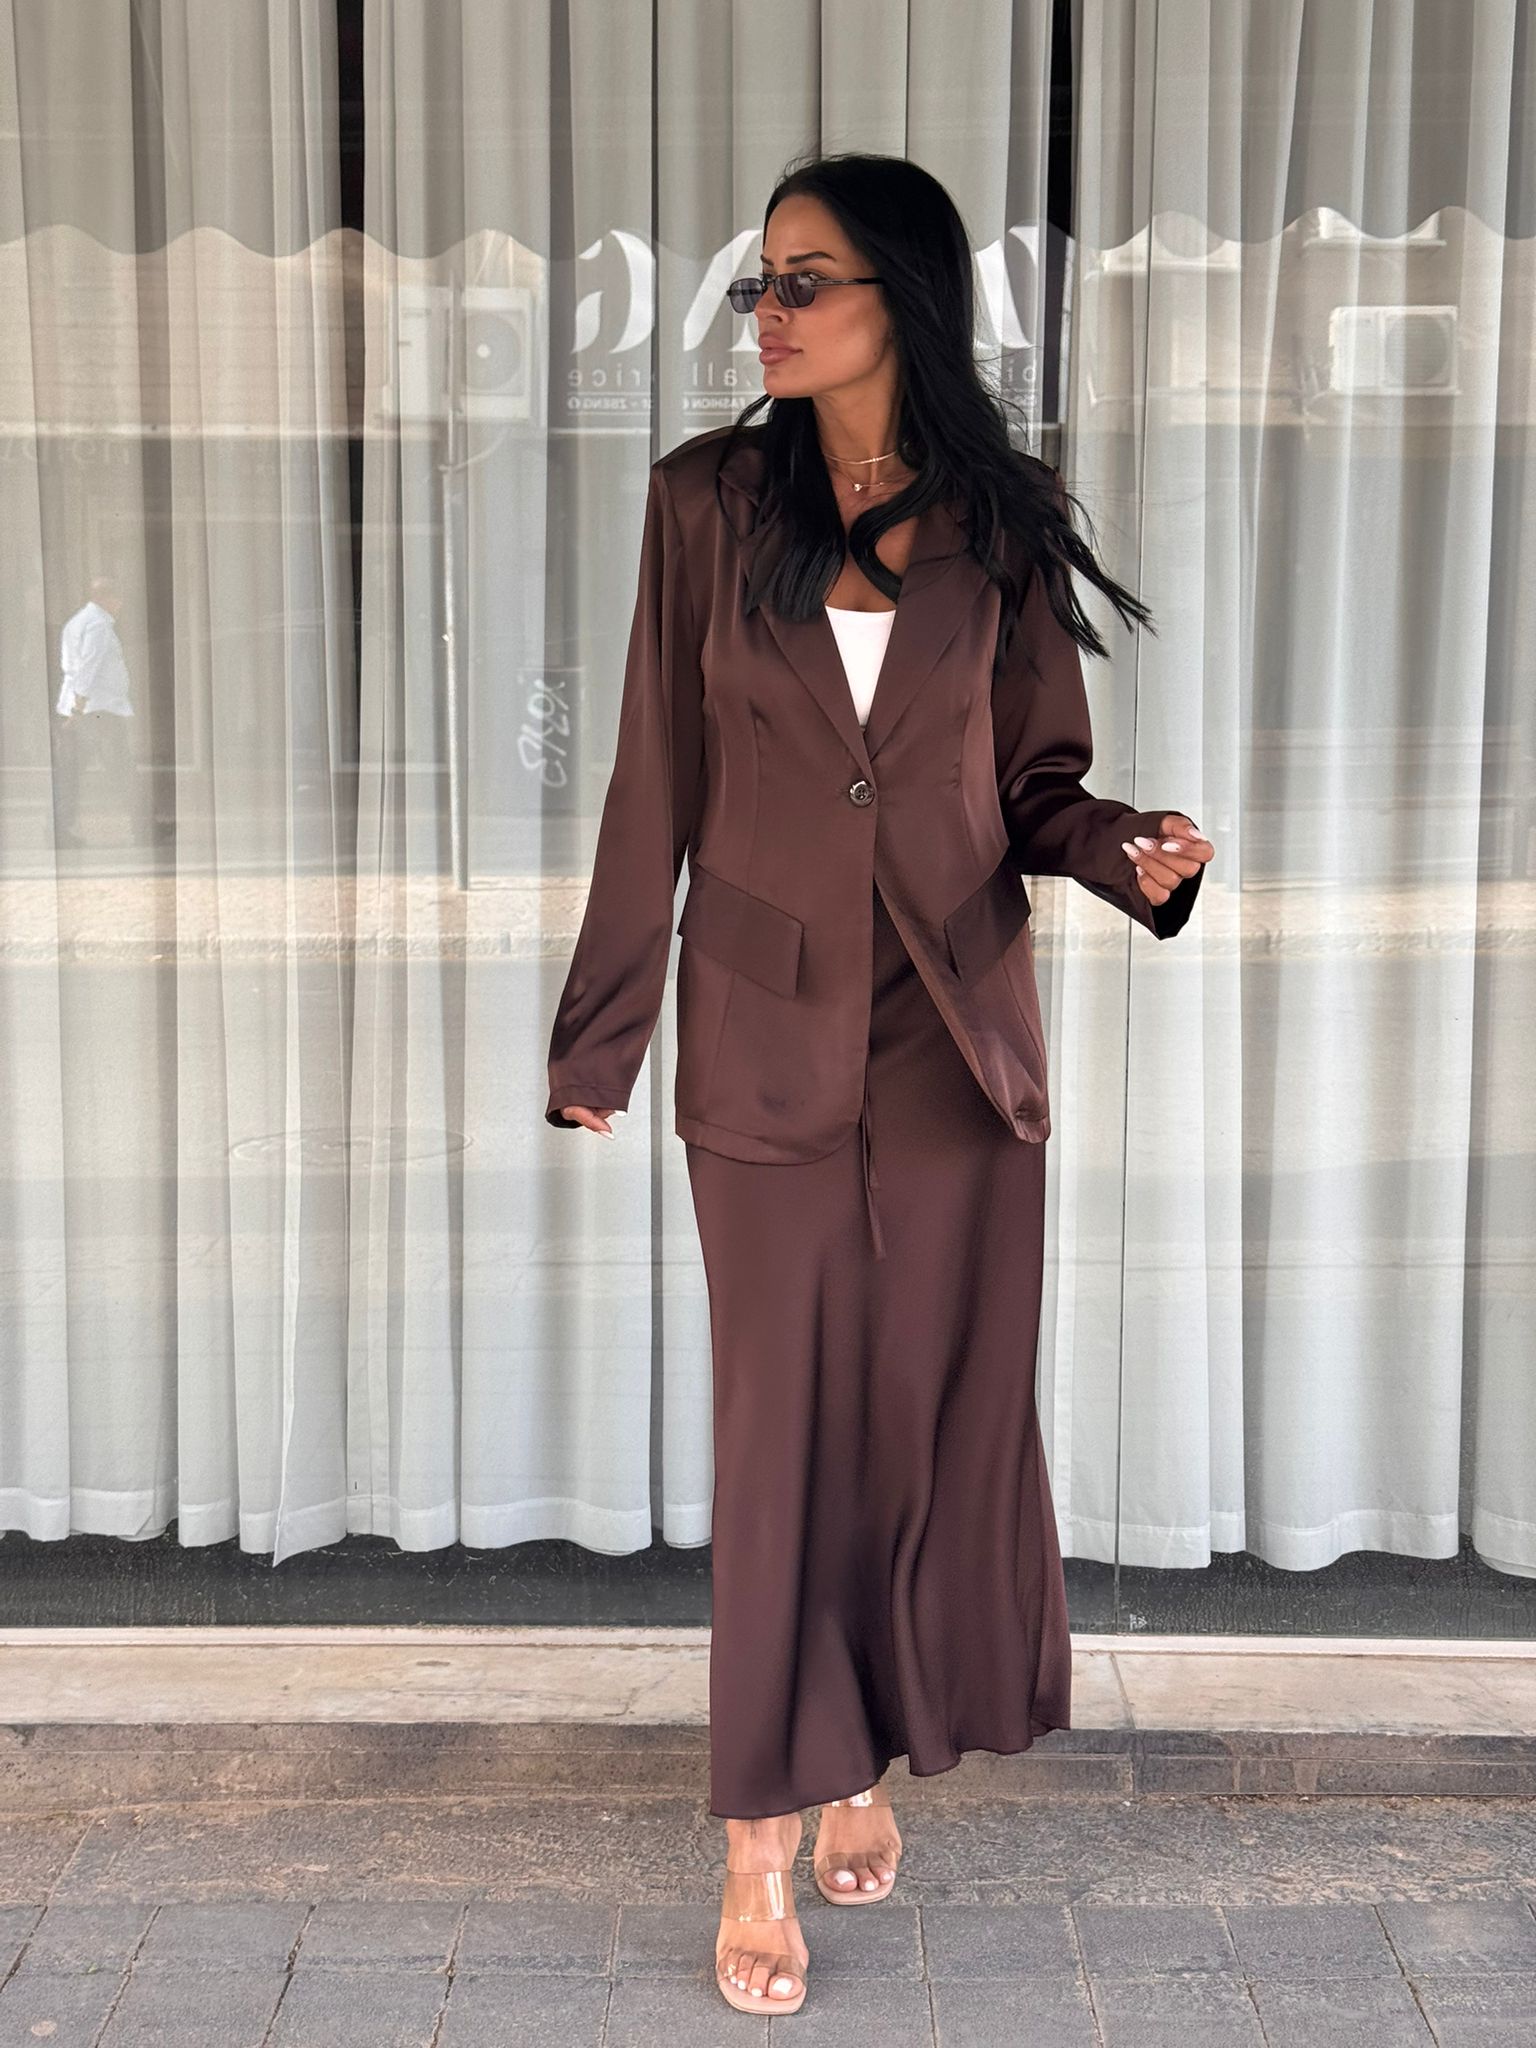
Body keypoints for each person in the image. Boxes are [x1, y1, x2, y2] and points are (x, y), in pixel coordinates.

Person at [544, 151, 1213, 2017]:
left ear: (897, 299)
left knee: (924, 1424)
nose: (762, 313)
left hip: (953, 1044)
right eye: (755, 283)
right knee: (783, 1437)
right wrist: (603, 1035)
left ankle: (862, 1749)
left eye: (802, 282)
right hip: (763, 1039)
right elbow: (655, 783)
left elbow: (1034, 785)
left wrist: (1129, 852)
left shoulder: (1004, 521)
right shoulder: (705, 502)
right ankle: (758, 1838)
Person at [54, 575, 135, 848]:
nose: (120, 604)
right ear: (104, 598)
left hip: (85, 707)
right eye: (117, 597)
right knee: (123, 769)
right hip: (97, 709)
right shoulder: (98, 625)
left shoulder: (77, 622)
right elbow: (89, 667)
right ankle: (144, 824)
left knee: (70, 772)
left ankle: (59, 828)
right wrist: (78, 708)